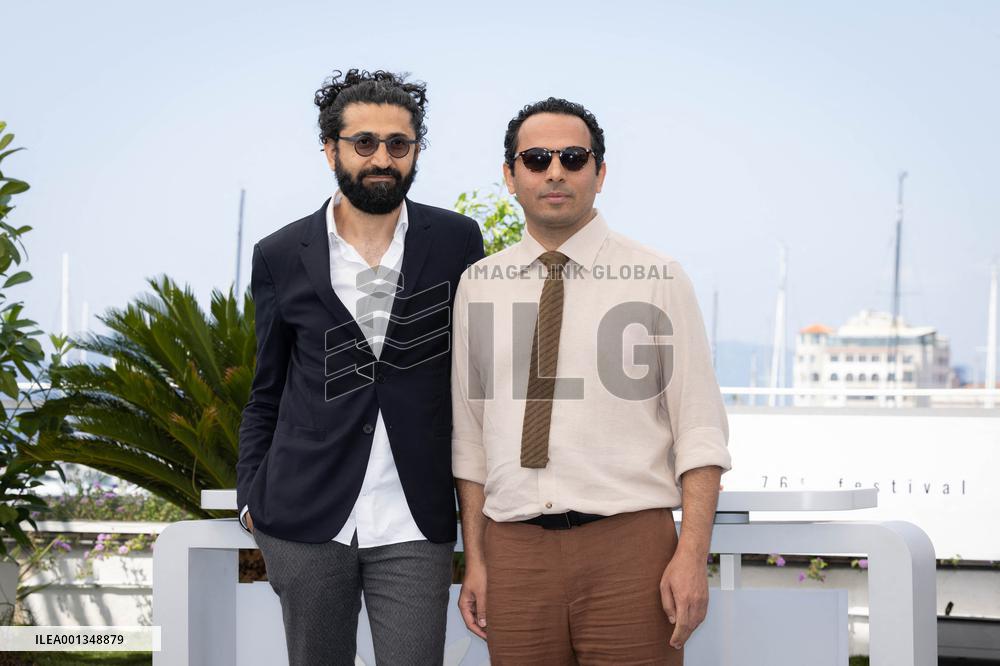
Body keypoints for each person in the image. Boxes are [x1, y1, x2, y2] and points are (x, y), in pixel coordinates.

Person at [451, 97, 731, 665]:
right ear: (510, 175)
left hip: (631, 550)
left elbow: (699, 430)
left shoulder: (657, 278)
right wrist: (476, 560)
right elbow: (471, 438)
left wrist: (692, 554)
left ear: (599, 173)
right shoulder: (479, 285)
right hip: (515, 554)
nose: (555, 172)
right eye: (536, 159)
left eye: (574, 157)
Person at [236, 68, 484, 666]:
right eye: (364, 142)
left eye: (399, 144)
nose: (382, 157)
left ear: (415, 150)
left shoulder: (456, 241)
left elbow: (474, 383)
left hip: (414, 517)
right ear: (331, 149)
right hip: (306, 520)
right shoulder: (279, 253)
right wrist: (252, 498)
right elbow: (266, 388)